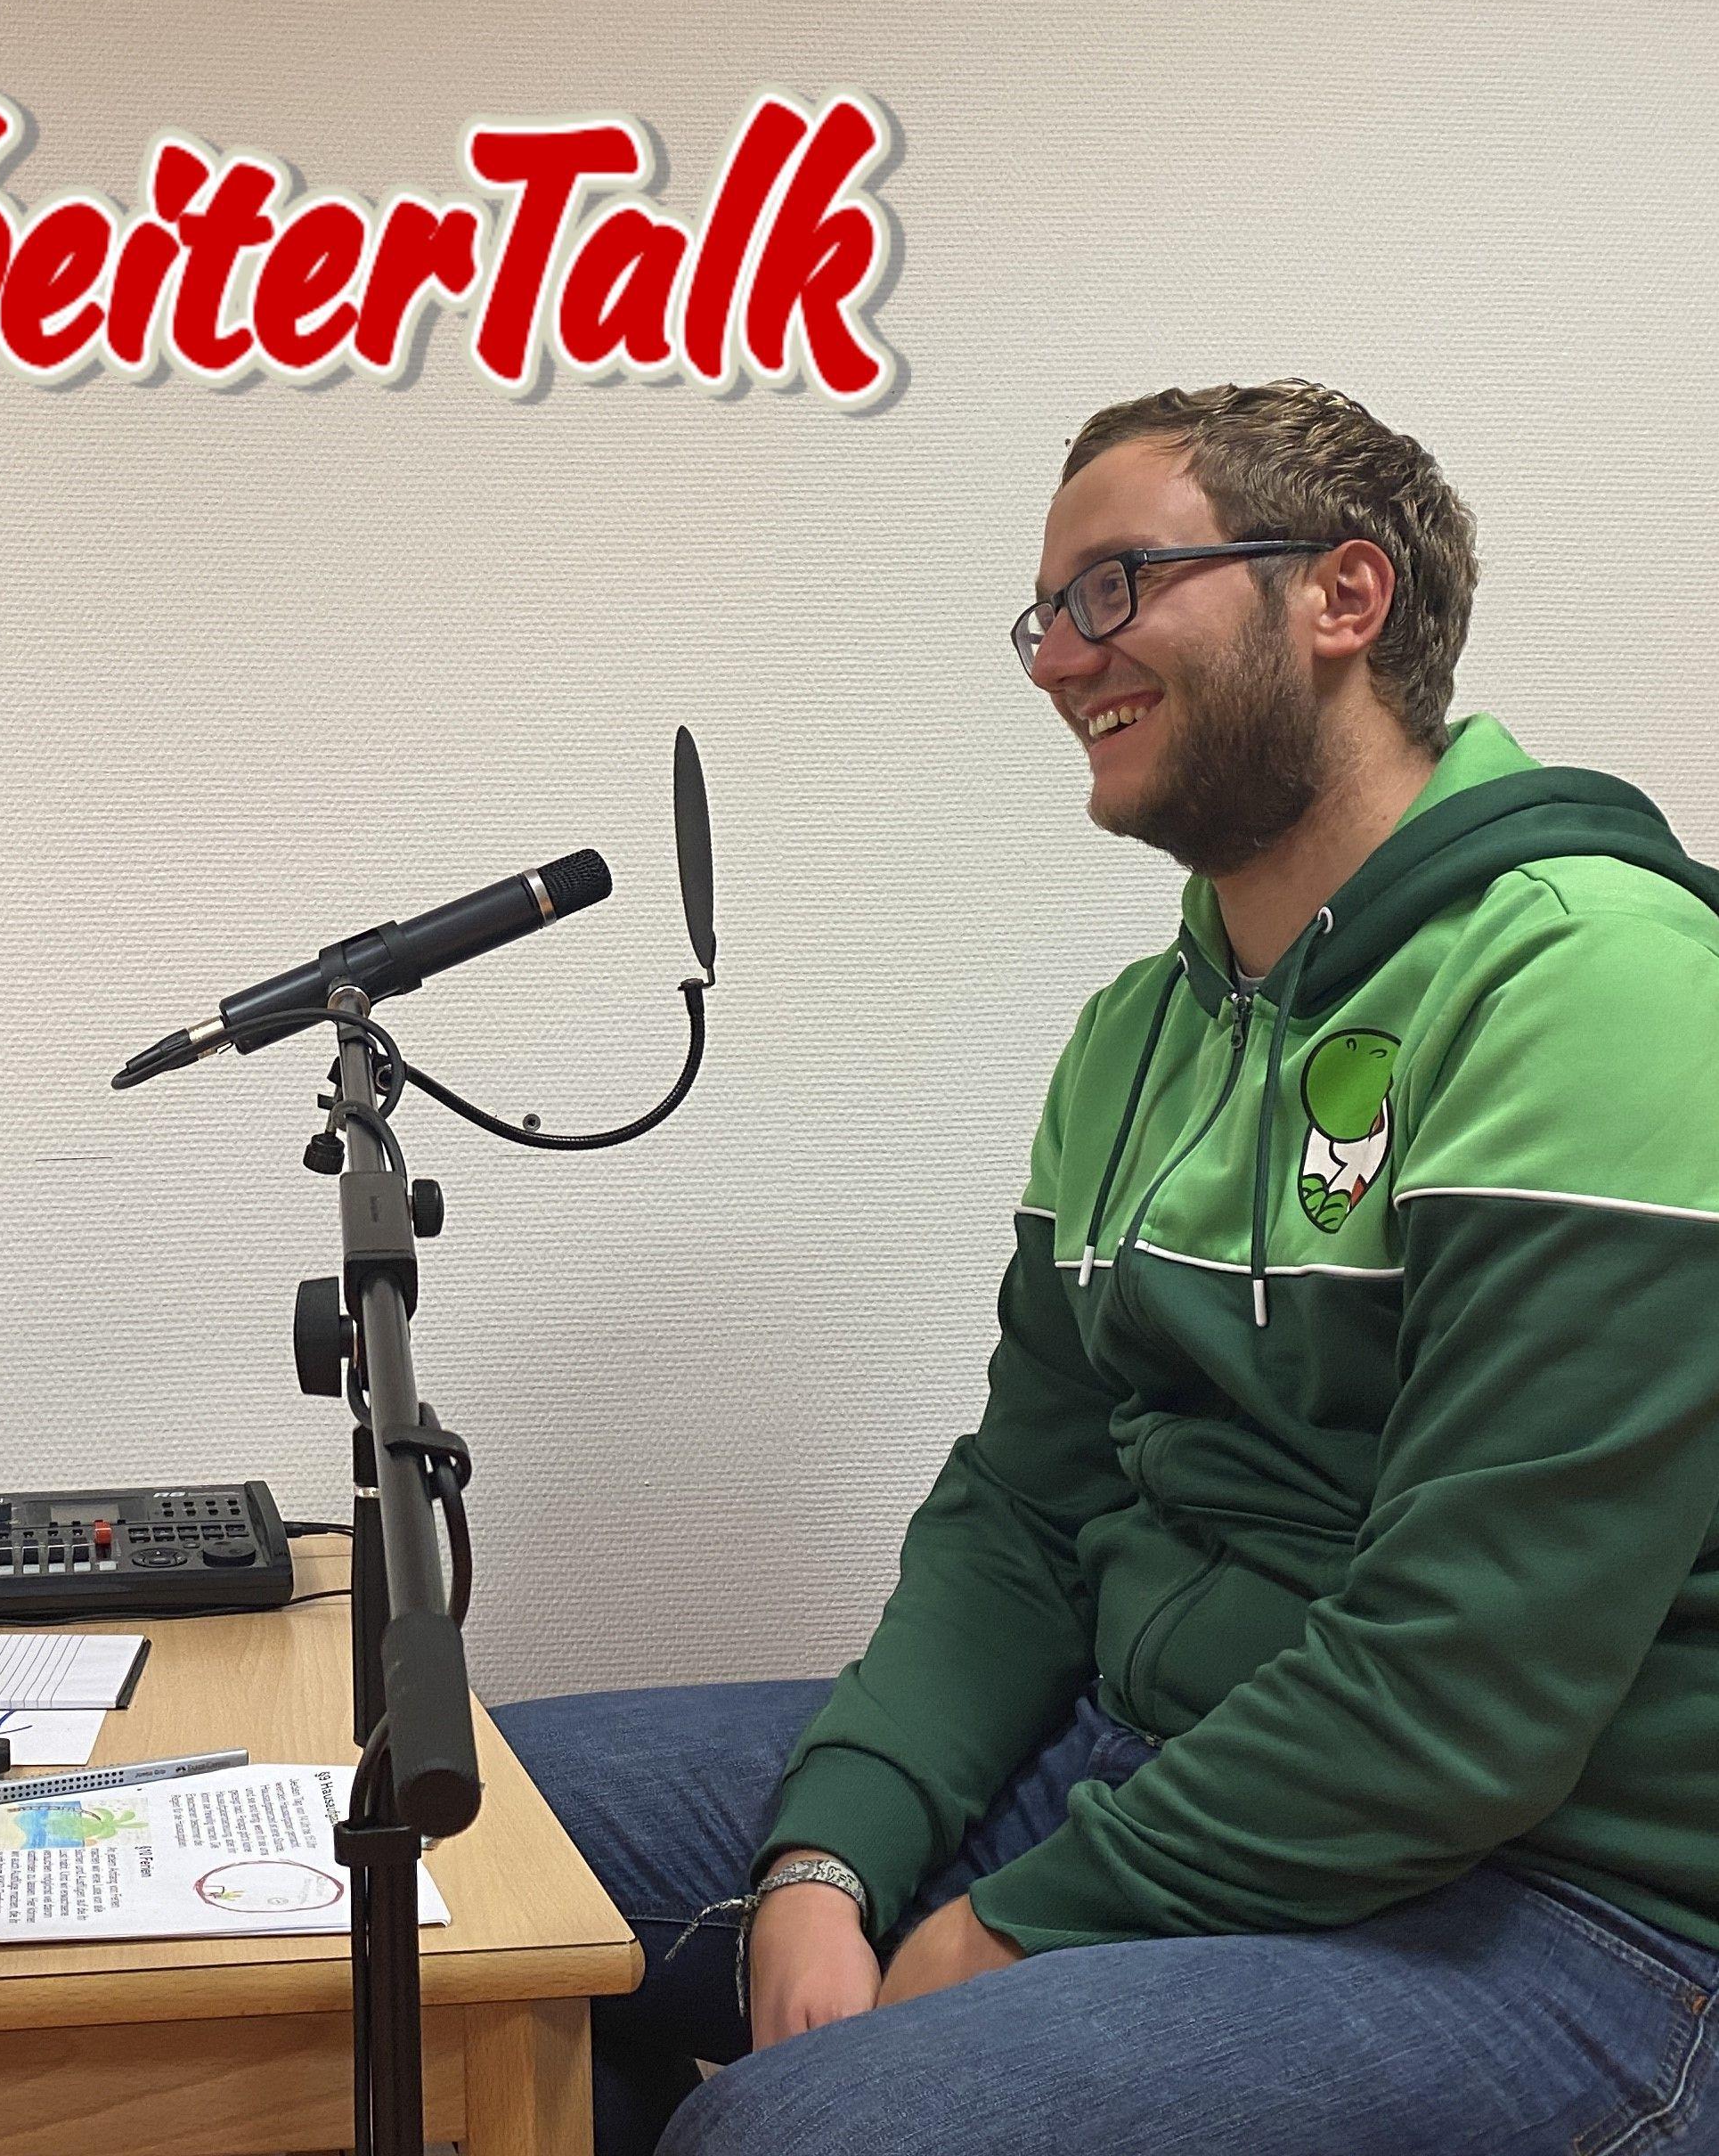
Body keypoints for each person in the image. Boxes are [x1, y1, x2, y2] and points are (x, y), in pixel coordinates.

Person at [501, 381, 1719, 2156]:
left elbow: (1468, 1684)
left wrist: (1001, 1930)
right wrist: (829, 1854)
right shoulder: (1137, 1037)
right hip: (1150, 1758)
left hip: (1566, 1905)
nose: (1062, 659)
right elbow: (1025, 1506)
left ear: (1343, 595)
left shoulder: (1598, 983)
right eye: (1044, 614)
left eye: (1114, 586)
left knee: (796, 2134)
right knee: (456, 1868)